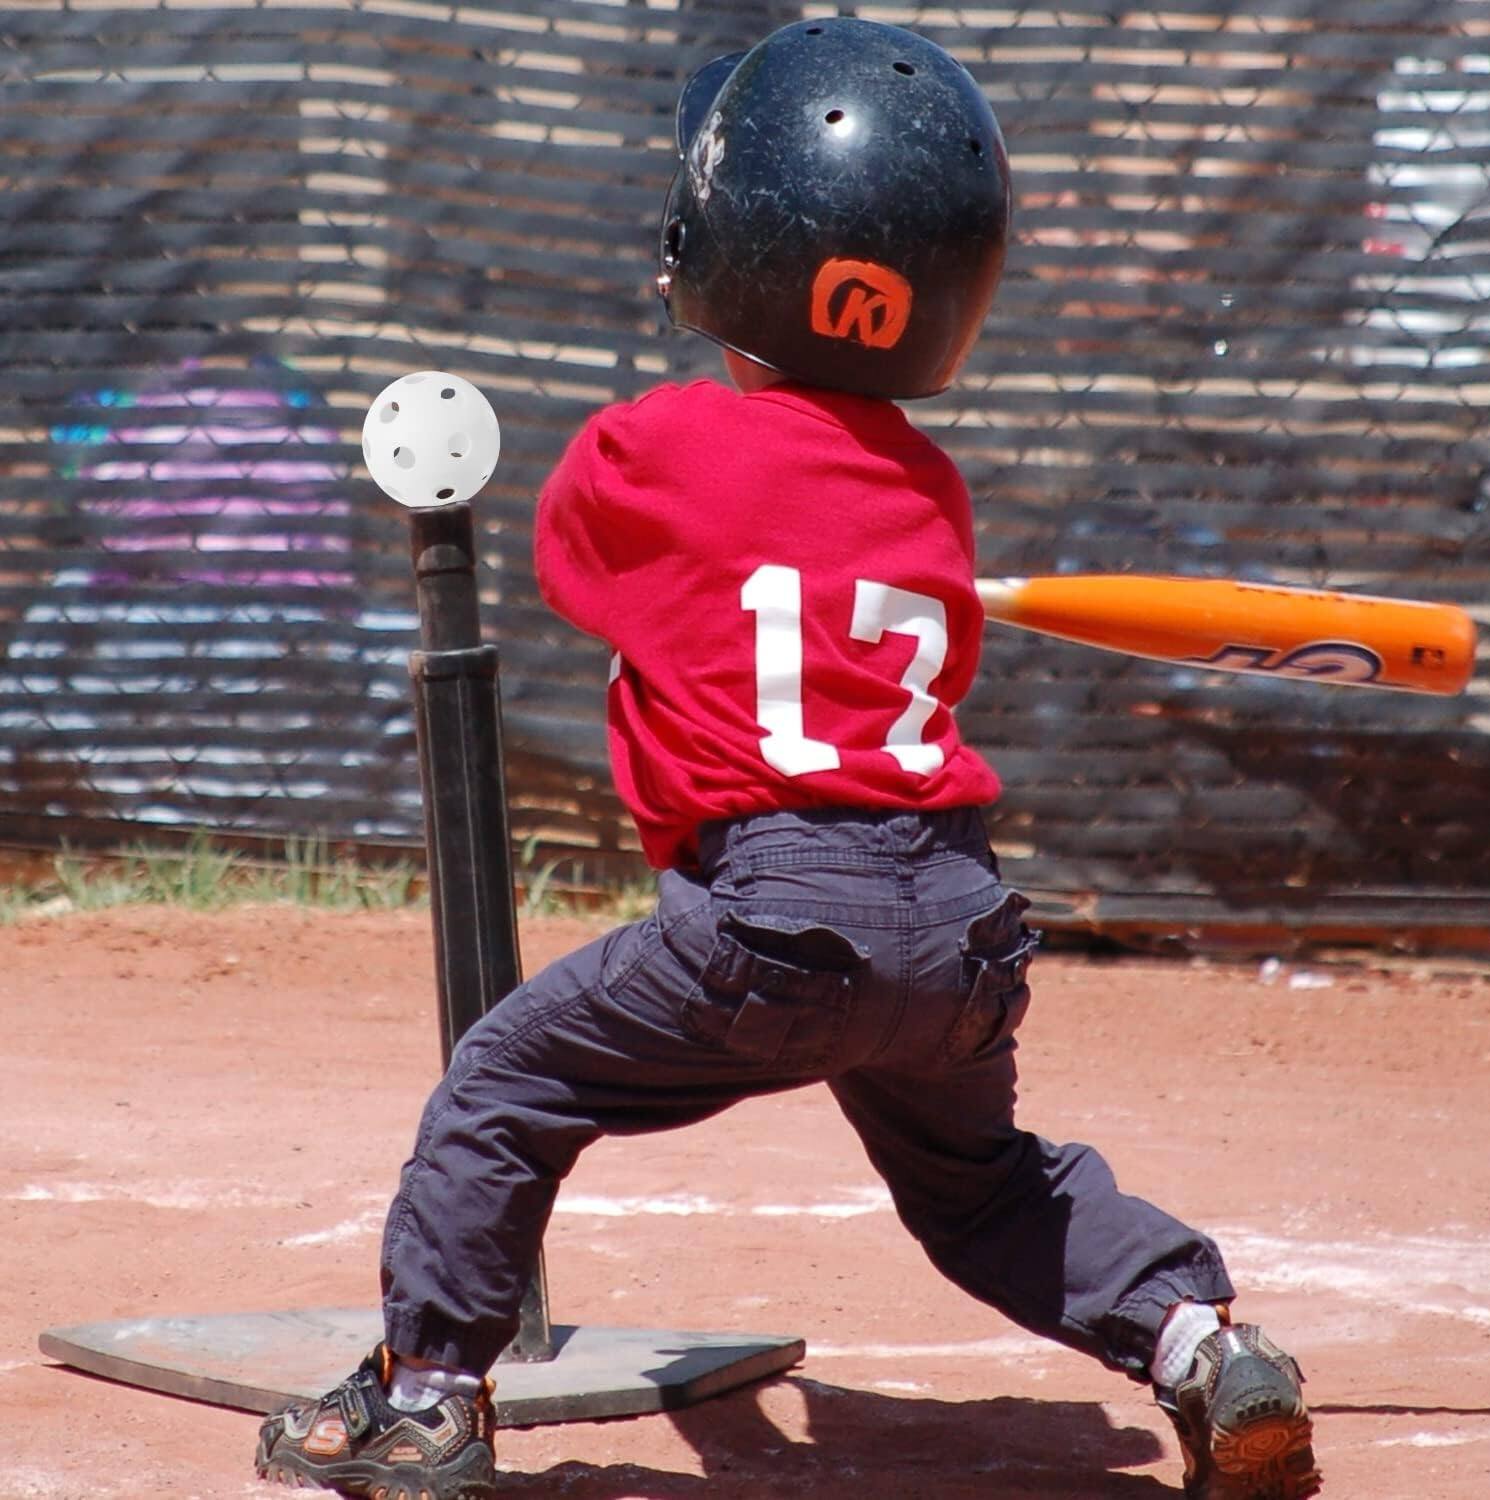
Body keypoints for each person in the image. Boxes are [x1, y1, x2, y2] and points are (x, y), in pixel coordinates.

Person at [254, 18, 1321, 1500]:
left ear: (732, 240)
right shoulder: (930, 490)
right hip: (957, 927)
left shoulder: (657, 444)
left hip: (768, 920)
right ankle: (1201, 1340)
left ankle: (426, 1395)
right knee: (986, 1188)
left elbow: (573, 566)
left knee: (502, 1082)